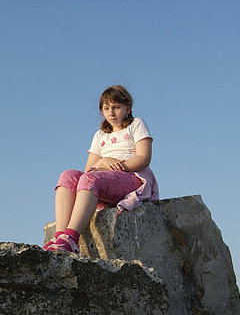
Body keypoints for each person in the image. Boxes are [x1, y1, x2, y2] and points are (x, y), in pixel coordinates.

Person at [43, 85, 159, 253]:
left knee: (89, 179)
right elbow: (89, 169)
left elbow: (144, 158)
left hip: (133, 176)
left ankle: (71, 238)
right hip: (105, 178)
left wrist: (119, 166)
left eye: (116, 107)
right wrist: (104, 161)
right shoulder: (100, 135)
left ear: (128, 108)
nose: (111, 112)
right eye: (106, 108)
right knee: (67, 175)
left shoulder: (136, 124)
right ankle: (60, 236)